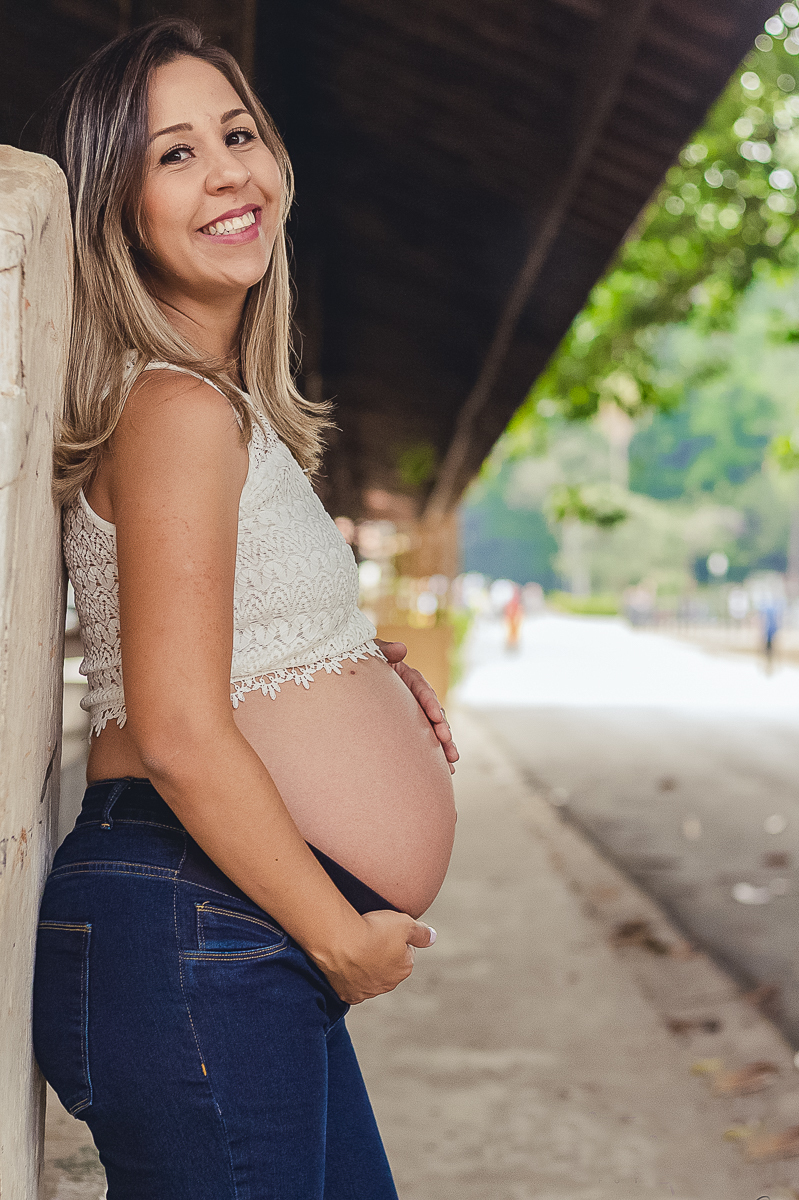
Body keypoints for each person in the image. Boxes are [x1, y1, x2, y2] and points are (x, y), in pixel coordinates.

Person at [32, 19, 458, 1200]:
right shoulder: (171, 410)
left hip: (217, 938)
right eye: (173, 154)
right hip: (202, 931)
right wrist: (336, 934)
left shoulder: (211, 405)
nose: (228, 170)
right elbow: (173, 725)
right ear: (115, 208)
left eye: (237, 133)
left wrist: (344, 667)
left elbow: (211, 641)